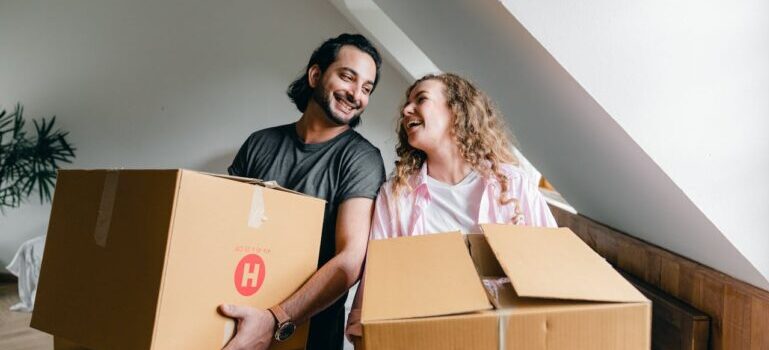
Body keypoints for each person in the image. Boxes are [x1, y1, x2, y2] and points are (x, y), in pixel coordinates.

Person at [345, 73, 557, 347]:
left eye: (420, 99)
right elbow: (374, 292)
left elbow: (556, 272)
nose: (406, 109)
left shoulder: (513, 185)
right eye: (406, 104)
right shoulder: (397, 196)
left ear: (456, 111)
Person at [220, 33, 387, 350]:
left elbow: (351, 259)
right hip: (234, 320)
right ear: (315, 75)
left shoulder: (360, 159)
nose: (356, 95)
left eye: (367, 88)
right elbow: (224, 228)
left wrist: (274, 319)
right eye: (347, 77)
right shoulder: (260, 143)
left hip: (308, 337)